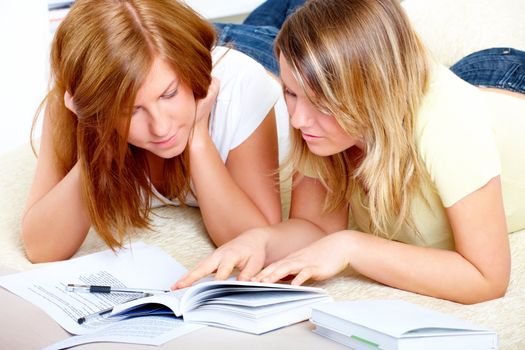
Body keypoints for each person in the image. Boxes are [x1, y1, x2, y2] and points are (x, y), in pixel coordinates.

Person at [175, 0, 525, 304]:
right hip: (428, 81)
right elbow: (314, 227)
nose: (297, 120)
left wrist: (352, 247)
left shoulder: (448, 124)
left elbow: (487, 278)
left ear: (369, 93)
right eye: (290, 93)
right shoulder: (329, 129)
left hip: (509, 82)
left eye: (319, 102)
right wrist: (259, 241)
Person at [21, 0, 298, 263]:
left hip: (258, 54)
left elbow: (256, 240)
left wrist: (198, 137)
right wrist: (96, 131)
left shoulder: (239, 86)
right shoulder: (80, 104)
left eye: (169, 94)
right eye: (131, 111)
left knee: (322, 17)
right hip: (172, 46)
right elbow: (42, 248)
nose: (161, 127)